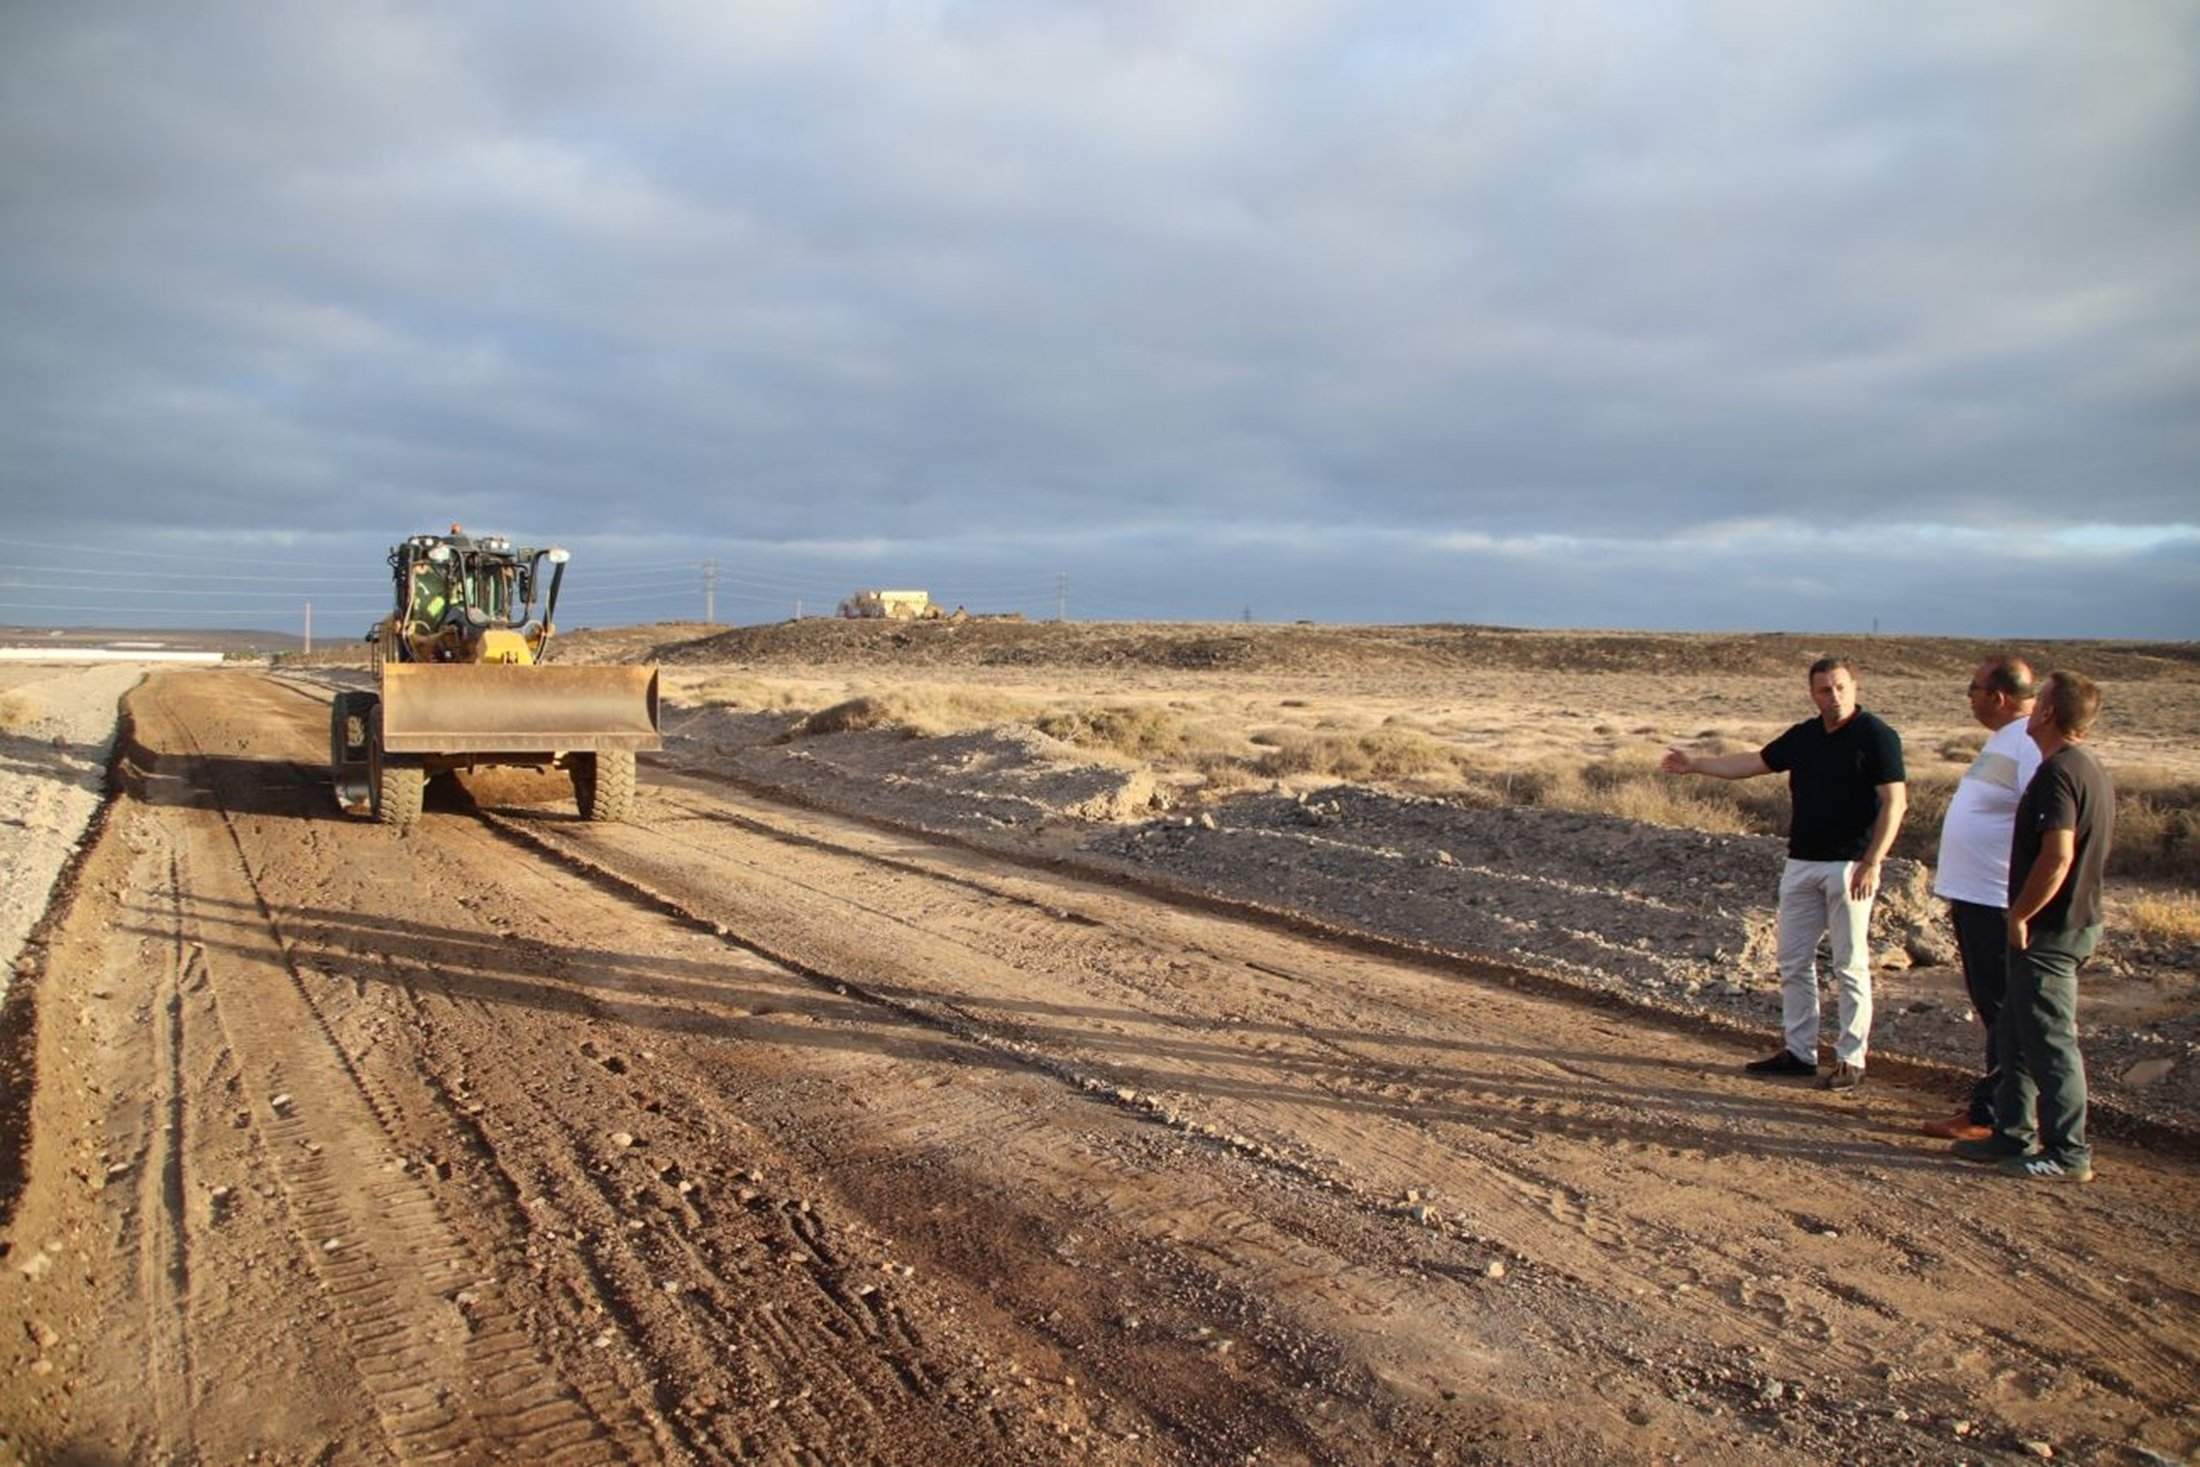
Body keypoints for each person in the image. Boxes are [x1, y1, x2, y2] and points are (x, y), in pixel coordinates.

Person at [1661, 657, 1907, 1090]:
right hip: (1802, 862)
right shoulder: (1805, 736)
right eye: (1824, 690)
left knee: (1850, 965)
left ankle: (1851, 1059)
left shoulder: (1877, 736)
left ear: (1855, 687)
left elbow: (1895, 802)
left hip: (1850, 866)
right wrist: (1696, 763)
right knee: (1793, 962)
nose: (1834, 697)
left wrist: (1873, 861)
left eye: (1840, 687)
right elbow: (1754, 762)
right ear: (1812, 694)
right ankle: (1799, 1052)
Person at [1953, 671, 2115, 1183]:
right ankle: (2011, 1133)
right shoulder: (2087, 767)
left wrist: (2021, 913)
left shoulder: (2058, 773)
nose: (2029, 704)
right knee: (2016, 1033)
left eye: (2037, 698)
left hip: (2052, 929)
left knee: (2049, 1040)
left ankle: (2067, 1152)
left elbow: (2058, 854)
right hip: (2066, 924)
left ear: (2047, 712)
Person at [1921, 657, 2040, 1141]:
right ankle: (1997, 1108)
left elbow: (2047, 821)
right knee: (1994, 1006)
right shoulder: (2006, 739)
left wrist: (2026, 901)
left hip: (1997, 898)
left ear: (1998, 696)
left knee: (2004, 1008)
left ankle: (1996, 1115)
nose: (1968, 697)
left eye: (1973, 689)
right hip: (1977, 896)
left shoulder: (2029, 742)